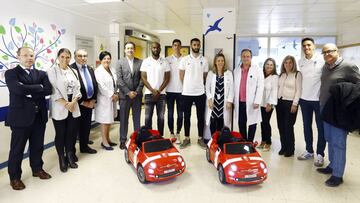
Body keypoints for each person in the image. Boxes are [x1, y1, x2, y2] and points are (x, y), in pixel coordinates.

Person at [5, 47, 52, 190]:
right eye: (25, 55)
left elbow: (49, 89)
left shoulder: (41, 73)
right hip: (20, 118)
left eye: (31, 55)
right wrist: (38, 87)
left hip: (39, 117)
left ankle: (37, 169)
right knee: (17, 150)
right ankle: (15, 177)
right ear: (18, 56)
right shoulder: (11, 73)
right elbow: (17, 89)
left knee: (37, 146)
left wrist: (27, 88)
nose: (29, 58)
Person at [317, 43, 360, 187]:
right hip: (325, 108)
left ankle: (337, 175)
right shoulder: (325, 67)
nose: (327, 54)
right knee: (329, 138)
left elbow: (358, 87)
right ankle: (333, 165)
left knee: (338, 142)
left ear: (337, 51)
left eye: (330, 51)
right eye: (324, 52)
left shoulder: (348, 67)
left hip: (338, 111)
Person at [48, 48, 82, 172]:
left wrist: (73, 102)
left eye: (67, 57)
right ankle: (62, 158)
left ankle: (70, 156)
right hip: (60, 106)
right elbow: (53, 90)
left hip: (73, 105)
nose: (65, 59)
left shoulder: (73, 71)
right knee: (61, 134)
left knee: (71, 133)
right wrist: (65, 104)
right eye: (62, 57)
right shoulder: (52, 71)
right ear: (58, 57)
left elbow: (78, 88)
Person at [297, 38, 326, 166]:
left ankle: (320, 154)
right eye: (304, 46)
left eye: (309, 45)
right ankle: (309, 150)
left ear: (314, 46)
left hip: (318, 100)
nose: (306, 47)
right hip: (304, 99)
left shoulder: (322, 59)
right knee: (306, 126)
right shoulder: (301, 61)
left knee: (321, 127)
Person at [179, 38, 209, 149]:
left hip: (200, 92)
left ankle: (200, 138)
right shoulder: (184, 59)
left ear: (200, 46)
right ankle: (187, 138)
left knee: (200, 117)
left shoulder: (204, 60)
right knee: (186, 117)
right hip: (186, 92)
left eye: (198, 45)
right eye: (194, 45)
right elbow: (181, 75)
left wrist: (197, 84)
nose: (196, 46)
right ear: (191, 46)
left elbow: (205, 76)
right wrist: (189, 84)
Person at [116, 42, 143, 149]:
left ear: (134, 49)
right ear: (124, 50)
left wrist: (136, 91)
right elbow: (119, 79)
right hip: (124, 96)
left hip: (137, 95)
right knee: (123, 119)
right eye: (127, 48)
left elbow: (143, 78)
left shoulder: (140, 62)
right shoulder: (119, 62)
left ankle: (137, 139)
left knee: (137, 119)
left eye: (131, 48)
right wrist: (128, 92)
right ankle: (123, 140)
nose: (129, 50)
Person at [70, 49, 98, 155]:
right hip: (77, 104)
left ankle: (84, 146)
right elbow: (72, 89)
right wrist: (83, 102)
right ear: (75, 57)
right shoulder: (71, 69)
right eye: (80, 56)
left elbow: (95, 85)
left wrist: (93, 100)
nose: (83, 58)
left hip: (89, 103)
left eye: (85, 56)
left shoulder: (90, 68)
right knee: (73, 130)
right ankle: (71, 152)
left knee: (86, 127)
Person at [233, 49, 264, 142]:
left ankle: (250, 142)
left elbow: (260, 86)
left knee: (252, 123)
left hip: (252, 102)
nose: (246, 58)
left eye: (248, 56)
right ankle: (243, 141)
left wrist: (257, 101)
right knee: (241, 123)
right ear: (241, 57)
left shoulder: (257, 69)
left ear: (251, 57)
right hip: (240, 102)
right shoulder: (236, 70)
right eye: (244, 56)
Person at [140, 42, 170, 136]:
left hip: (161, 95)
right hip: (149, 94)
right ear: (151, 49)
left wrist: (159, 91)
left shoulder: (164, 61)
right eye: (153, 48)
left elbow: (167, 78)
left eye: (157, 48)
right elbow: (143, 77)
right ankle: (149, 137)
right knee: (148, 117)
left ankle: (159, 136)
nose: (155, 49)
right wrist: (152, 90)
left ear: (160, 49)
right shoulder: (146, 61)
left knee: (161, 117)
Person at [277, 55, 302, 157]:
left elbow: (299, 90)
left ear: (293, 64)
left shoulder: (297, 74)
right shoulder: (282, 75)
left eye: (290, 62)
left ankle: (290, 149)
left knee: (288, 126)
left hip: (290, 103)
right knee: (281, 126)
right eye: (286, 62)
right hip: (280, 102)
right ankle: (283, 147)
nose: (288, 64)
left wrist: (295, 104)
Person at [95, 51, 119, 150]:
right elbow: (101, 86)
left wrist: (116, 93)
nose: (107, 60)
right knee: (104, 121)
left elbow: (116, 82)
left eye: (108, 58)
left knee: (109, 120)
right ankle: (104, 142)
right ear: (101, 60)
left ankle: (108, 139)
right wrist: (111, 95)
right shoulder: (98, 71)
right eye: (104, 58)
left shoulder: (112, 69)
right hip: (104, 99)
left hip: (112, 98)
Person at [205, 53, 233, 136]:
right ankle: (213, 141)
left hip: (223, 102)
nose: (220, 62)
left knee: (221, 122)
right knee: (213, 121)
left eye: (222, 61)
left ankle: (220, 141)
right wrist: (209, 99)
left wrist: (229, 101)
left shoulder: (228, 73)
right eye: (218, 61)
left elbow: (232, 88)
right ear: (215, 62)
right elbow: (207, 87)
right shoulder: (211, 73)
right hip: (214, 102)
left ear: (224, 62)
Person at [165, 39, 184, 144]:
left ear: (181, 47)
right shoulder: (167, 59)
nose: (176, 47)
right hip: (169, 91)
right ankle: (171, 132)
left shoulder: (185, 59)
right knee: (170, 113)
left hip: (182, 91)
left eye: (178, 45)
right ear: (172, 47)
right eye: (174, 45)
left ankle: (178, 133)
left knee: (180, 114)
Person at [258, 58, 278, 152]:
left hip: (268, 104)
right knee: (262, 122)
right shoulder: (261, 75)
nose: (269, 66)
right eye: (267, 64)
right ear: (264, 65)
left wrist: (270, 103)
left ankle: (268, 142)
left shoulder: (274, 77)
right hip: (261, 103)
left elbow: (274, 91)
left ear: (274, 67)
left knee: (266, 122)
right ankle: (263, 140)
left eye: (271, 65)